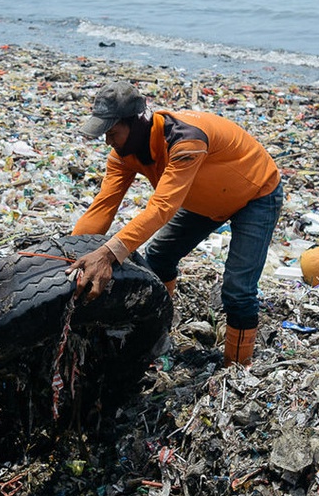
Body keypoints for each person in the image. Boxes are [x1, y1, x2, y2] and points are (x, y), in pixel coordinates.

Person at [67, 82, 283, 368]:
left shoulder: (184, 140)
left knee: (237, 289)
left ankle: (237, 369)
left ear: (136, 123)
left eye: (112, 132)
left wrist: (107, 254)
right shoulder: (123, 154)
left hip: (255, 196)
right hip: (202, 201)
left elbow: (162, 208)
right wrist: (72, 253)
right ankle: (158, 331)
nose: (108, 141)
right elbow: (104, 205)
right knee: (159, 258)